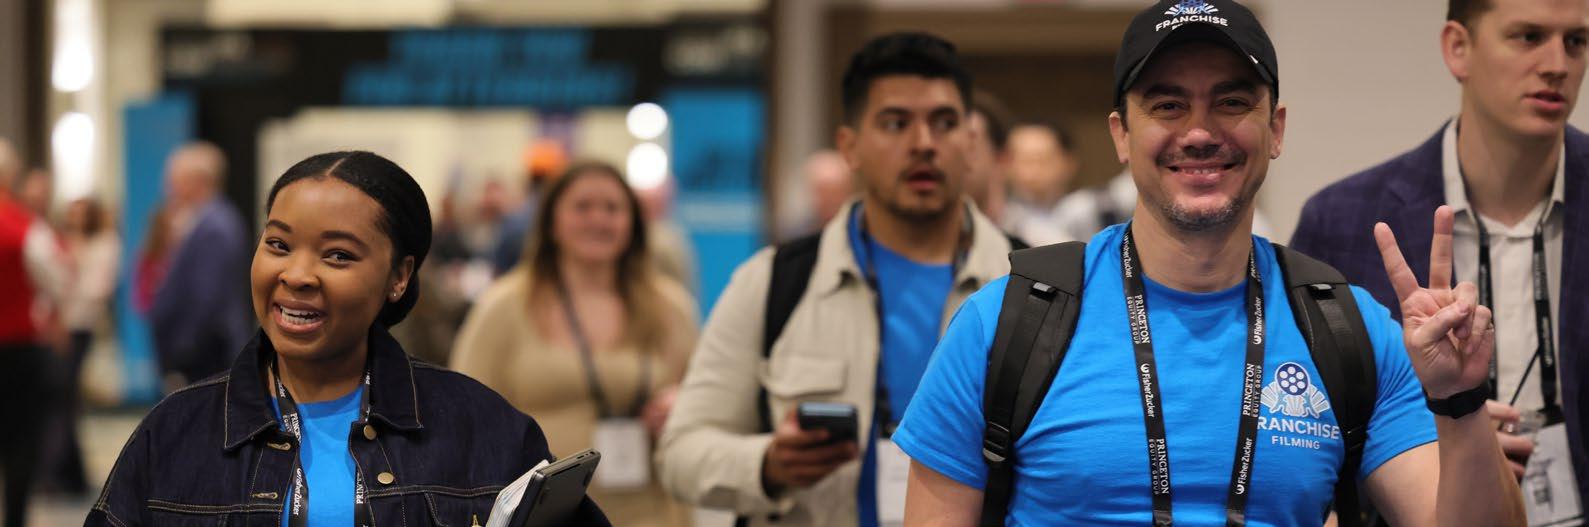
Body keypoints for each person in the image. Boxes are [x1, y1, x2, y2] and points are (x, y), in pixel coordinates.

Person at [893, 1, 1526, 525]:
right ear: (1121, 134)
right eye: (1168, 105)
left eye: (1231, 102)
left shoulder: (1349, 330)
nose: (1199, 133)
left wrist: (1459, 399)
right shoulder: (1005, 324)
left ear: (1275, 130)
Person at [86, 150, 609, 526]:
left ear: (399, 276)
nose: (297, 274)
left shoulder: (483, 428)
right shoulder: (176, 433)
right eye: (278, 244)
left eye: (338, 255)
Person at [657, 32, 1019, 527]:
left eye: (945, 123)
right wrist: (768, 464)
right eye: (895, 123)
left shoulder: (1034, 287)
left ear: (971, 143)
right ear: (850, 146)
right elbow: (681, 452)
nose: (923, 144)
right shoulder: (775, 282)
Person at [1292, 0, 1588, 518]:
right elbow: (1304, 435)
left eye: (1576, 42)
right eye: (1528, 36)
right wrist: (1447, 436)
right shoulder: (1342, 221)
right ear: (1458, 48)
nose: (1557, 65)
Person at [452, 161, 698, 527]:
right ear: (552, 222)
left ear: (633, 223)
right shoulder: (504, 306)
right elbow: (463, 413)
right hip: (544, 516)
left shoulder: (669, 306)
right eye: (582, 207)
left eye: (612, 208)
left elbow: (707, 398)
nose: (598, 219)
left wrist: (682, 404)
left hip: (652, 511)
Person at [0, 139, 68, 527]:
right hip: (17, 347)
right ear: (11, 176)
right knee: (20, 440)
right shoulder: (25, 227)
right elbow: (56, 280)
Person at [149, 141, 252, 389]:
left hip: (208, 353)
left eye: (174, 181)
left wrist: (183, 350)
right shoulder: (208, 221)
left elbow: (206, 297)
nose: (168, 189)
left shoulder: (214, 227)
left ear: (198, 181)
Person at [47, 196, 120, 496]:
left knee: (65, 397)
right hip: (62, 327)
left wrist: (73, 269)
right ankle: (68, 471)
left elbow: (96, 289)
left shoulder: (105, 244)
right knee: (65, 398)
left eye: (81, 214)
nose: (75, 220)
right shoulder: (66, 241)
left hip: (81, 326)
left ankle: (62, 470)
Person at [1001, 122, 1081, 245]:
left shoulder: (1085, 213)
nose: (1033, 171)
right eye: (1025, 161)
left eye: (1043, 160)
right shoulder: (1000, 221)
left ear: (1069, 162)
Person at [804, 149, 854, 230]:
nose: (829, 201)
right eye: (823, 193)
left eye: (834, 193)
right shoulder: (799, 232)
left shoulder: (857, 230)